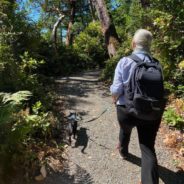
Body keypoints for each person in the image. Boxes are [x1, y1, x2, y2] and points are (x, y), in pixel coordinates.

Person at [110, 29, 163, 184]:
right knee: (147, 148)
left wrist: (115, 99)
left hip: (127, 112)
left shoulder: (124, 61)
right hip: (151, 112)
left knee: (125, 129)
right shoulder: (157, 64)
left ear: (133, 44)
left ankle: (123, 152)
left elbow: (116, 90)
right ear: (150, 46)